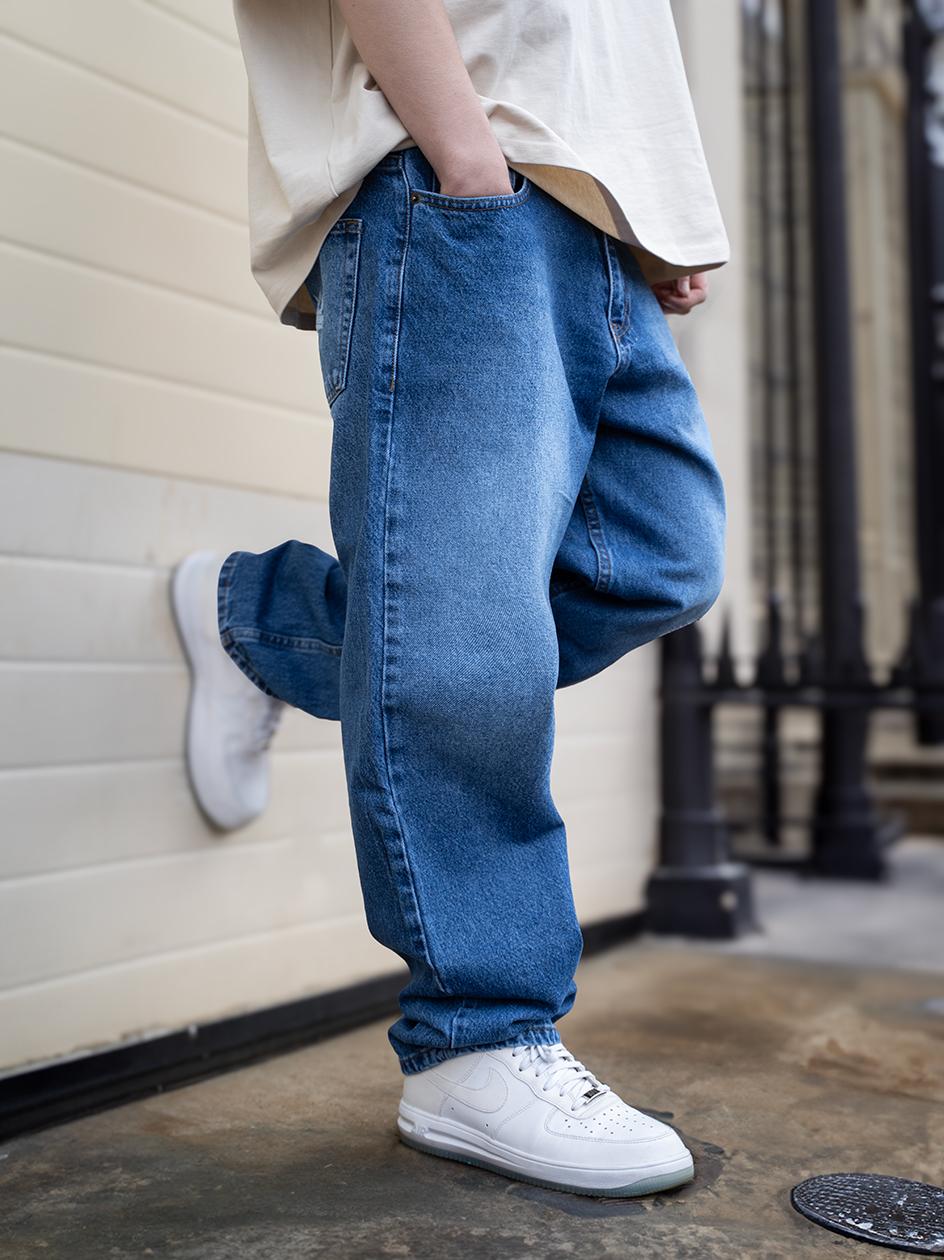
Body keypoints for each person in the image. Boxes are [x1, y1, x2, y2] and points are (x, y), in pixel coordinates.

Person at [172, 0, 728, 1198]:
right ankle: (473, 1040)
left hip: (597, 222)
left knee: (660, 560)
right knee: (464, 631)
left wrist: (648, 202)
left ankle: (264, 621)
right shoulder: (461, 164)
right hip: (459, 178)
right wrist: (463, 153)